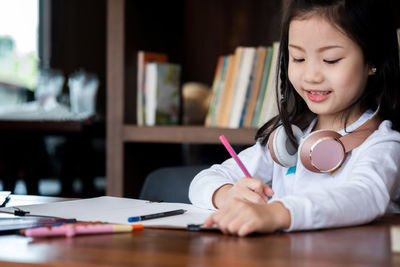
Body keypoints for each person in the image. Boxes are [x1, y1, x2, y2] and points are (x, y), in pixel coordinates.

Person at [189, 0, 400, 236]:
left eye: (330, 60)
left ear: (373, 61)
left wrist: (277, 213)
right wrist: (228, 194)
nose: (310, 76)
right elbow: (203, 180)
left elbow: (365, 196)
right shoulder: (290, 138)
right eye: (298, 58)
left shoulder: (383, 145)